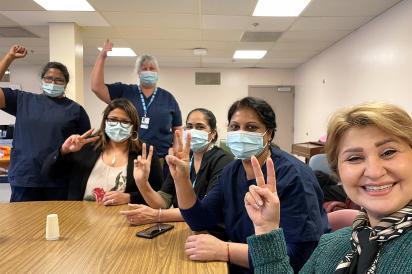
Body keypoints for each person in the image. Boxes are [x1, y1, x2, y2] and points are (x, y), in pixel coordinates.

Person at [166, 97, 329, 274]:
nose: (241, 134)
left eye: (251, 127)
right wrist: (182, 180)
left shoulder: (294, 176)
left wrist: (226, 250)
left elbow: (298, 257)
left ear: (269, 134)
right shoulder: (231, 172)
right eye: (235, 127)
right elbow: (199, 220)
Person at [246, 102, 412, 273]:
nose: (374, 172)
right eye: (354, 158)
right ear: (338, 171)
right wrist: (266, 229)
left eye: (388, 152)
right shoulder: (330, 246)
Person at [0, 45, 91, 202]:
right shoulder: (23, 100)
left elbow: (85, 149)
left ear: (66, 83)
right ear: (42, 80)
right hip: (26, 178)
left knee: (60, 225)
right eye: (49, 78)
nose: (53, 82)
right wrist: (9, 58)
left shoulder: (75, 110)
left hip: (59, 180)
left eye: (59, 80)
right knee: (24, 225)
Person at [120, 108, 233, 224]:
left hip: (208, 231)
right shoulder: (183, 157)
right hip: (180, 226)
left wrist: (157, 215)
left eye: (200, 127)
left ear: (212, 134)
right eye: (189, 127)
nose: (192, 131)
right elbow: (163, 202)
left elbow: (205, 210)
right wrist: (142, 183)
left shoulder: (223, 161)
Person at [42, 98, 163, 205]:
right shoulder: (85, 146)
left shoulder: (145, 153)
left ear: (134, 126)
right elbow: (49, 175)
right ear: (105, 122)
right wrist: (64, 151)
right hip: (79, 219)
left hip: (122, 221)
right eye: (113, 119)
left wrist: (130, 197)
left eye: (125, 121)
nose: (118, 125)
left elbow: (158, 194)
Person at [91, 40, 182, 168]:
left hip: (161, 160)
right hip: (129, 157)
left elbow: (177, 129)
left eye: (152, 69)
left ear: (157, 72)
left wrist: (177, 153)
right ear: (138, 73)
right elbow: (96, 87)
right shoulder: (124, 91)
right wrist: (102, 57)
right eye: (144, 69)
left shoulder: (168, 98)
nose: (148, 71)